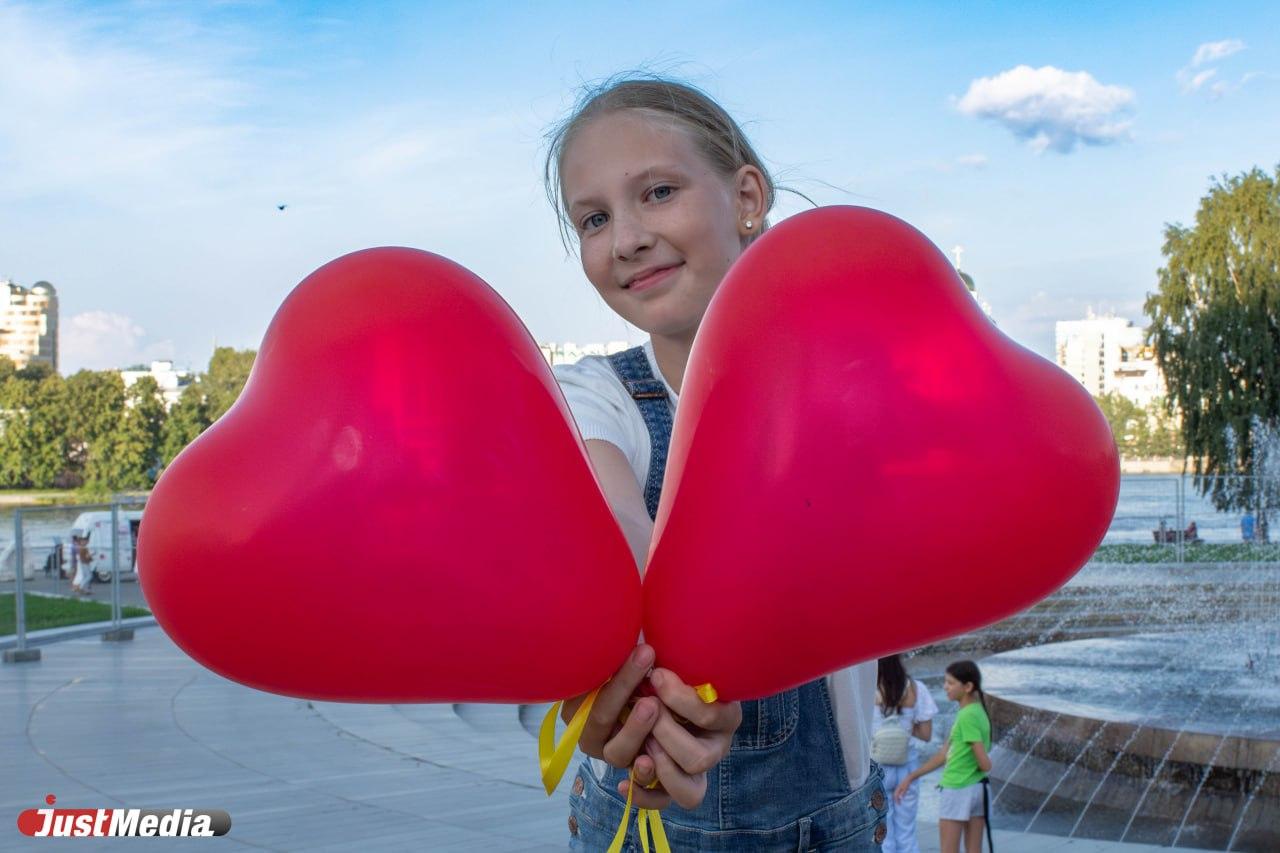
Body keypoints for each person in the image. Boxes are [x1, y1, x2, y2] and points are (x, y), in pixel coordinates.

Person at [545, 75, 887, 851]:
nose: (626, 237)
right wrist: (639, 685)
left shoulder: (849, 390)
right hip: (640, 827)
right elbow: (614, 528)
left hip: (837, 823)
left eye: (657, 191)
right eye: (594, 218)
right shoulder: (597, 397)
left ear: (746, 197)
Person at [894, 660, 993, 853]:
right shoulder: (978, 711)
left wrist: (986, 764)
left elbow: (983, 762)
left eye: (950, 682)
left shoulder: (966, 717)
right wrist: (911, 777)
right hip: (978, 789)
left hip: (957, 788)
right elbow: (944, 755)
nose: (945, 687)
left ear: (968, 687)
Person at [872, 654, 937, 853]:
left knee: (884, 832)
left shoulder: (869, 691)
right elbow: (926, 734)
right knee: (907, 832)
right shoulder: (916, 689)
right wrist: (907, 727)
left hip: (877, 770)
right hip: (907, 769)